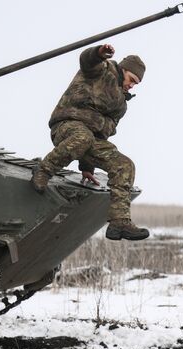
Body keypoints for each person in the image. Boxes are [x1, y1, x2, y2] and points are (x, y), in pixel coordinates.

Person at [32, 44, 150, 241]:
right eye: (131, 79)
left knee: (124, 165)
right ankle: (43, 171)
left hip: (87, 139)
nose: (132, 85)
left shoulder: (121, 104)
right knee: (83, 137)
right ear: (122, 70)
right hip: (66, 126)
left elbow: (103, 134)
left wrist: (88, 167)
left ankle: (118, 223)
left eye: (136, 84)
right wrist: (98, 53)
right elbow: (87, 61)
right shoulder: (102, 71)